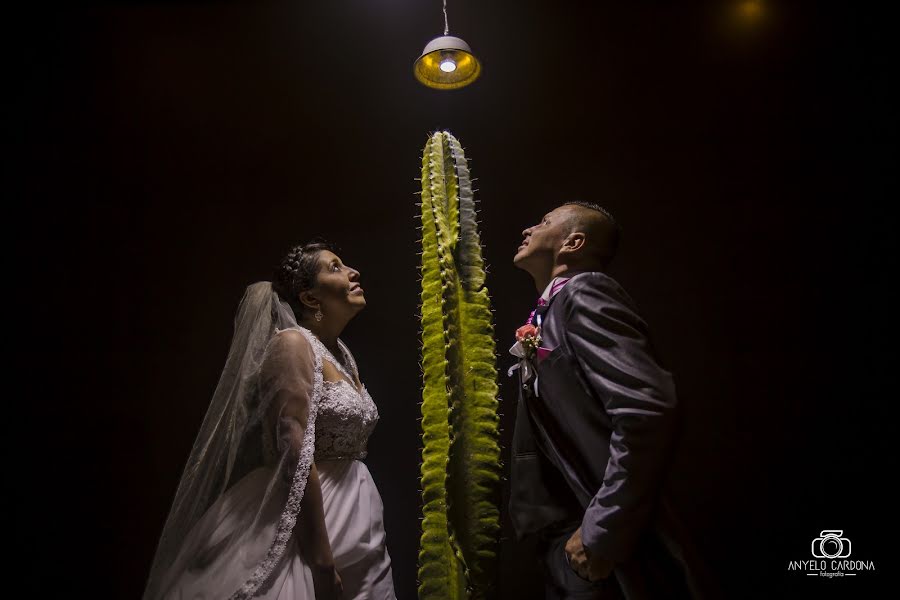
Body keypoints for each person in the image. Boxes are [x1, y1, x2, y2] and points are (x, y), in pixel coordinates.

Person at [143, 241, 396, 600]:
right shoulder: (292, 344)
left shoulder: (342, 354)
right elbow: (293, 452)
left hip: (358, 515)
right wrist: (321, 562)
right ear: (310, 299)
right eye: (336, 267)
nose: (353, 272)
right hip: (311, 518)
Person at [508, 202, 713, 599]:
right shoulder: (550, 310)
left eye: (545, 222)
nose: (528, 228)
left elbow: (646, 409)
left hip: (598, 531)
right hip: (564, 529)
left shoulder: (586, 292)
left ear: (574, 242)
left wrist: (601, 530)